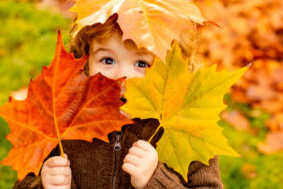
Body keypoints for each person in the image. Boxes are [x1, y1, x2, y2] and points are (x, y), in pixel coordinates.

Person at [13, 13, 223, 189]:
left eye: (141, 63)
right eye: (108, 60)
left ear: (171, 72)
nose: (121, 76)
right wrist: (43, 184)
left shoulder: (186, 128)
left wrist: (155, 179)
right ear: (84, 62)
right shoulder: (60, 120)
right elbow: (24, 180)